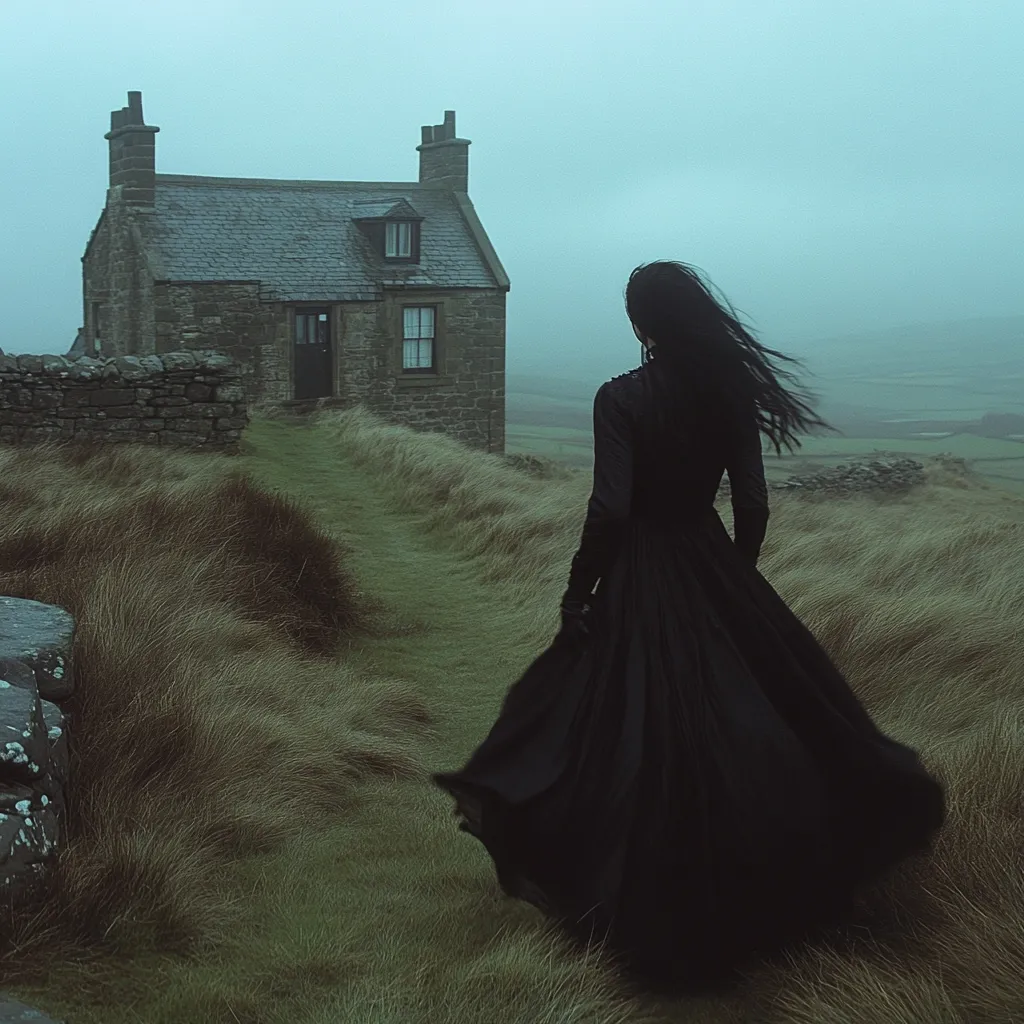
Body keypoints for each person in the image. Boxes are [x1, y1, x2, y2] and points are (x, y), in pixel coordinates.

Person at [432, 260, 945, 989]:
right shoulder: (729, 395)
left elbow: (610, 510)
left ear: (643, 326)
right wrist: (734, 576)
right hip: (711, 560)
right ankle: (764, 888)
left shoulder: (621, 399)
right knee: (754, 721)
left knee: (626, 729)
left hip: (640, 572)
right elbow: (755, 503)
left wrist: (579, 594)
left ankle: (635, 893)